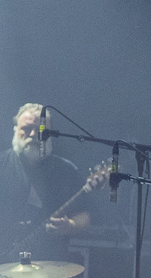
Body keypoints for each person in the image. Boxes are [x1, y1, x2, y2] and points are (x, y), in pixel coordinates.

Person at [1, 103, 91, 259]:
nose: (33, 134)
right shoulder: (2, 164)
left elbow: (86, 215)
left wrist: (69, 225)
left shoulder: (66, 170)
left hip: (50, 263)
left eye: (41, 130)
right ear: (15, 129)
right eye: (27, 128)